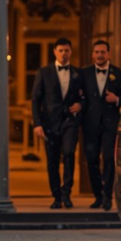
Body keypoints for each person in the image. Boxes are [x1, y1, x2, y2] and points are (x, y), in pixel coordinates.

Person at [32, 38, 84, 209]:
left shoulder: (77, 73)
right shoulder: (44, 72)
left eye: (66, 50)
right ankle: (56, 196)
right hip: (49, 123)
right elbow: (36, 100)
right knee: (52, 161)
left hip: (70, 122)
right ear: (55, 52)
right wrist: (37, 124)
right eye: (60, 50)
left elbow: (85, 97)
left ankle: (66, 194)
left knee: (69, 155)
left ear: (71, 52)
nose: (63, 53)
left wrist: (80, 105)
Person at [80, 40, 121, 210]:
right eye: (97, 52)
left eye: (103, 52)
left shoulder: (119, 73)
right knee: (92, 160)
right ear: (93, 54)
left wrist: (117, 100)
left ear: (109, 54)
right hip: (90, 124)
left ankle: (108, 196)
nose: (100, 55)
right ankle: (97, 196)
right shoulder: (84, 73)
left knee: (108, 159)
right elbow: (80, 96)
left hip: (110, 124)